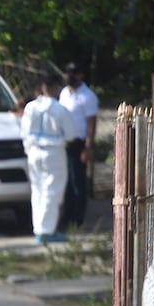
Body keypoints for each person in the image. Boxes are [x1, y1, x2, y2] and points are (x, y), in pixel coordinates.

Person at [22, 73, 77, 245]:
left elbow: (24, 131)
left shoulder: (30, 107)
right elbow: (70, 135)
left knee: (37, 190)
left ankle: (38, 228)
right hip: (53, 152)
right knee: (52, 191)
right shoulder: (59, 109)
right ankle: (46, 231)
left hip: (33, 152)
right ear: (55, 88)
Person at [58, 62, 99, 230]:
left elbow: (91, 124)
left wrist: (88, 147)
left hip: (78, 143)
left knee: (77, 183)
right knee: (66, 182)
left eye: (73, 73)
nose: (70, 76)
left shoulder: (87, 96)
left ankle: (78, 219)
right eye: (67, 72)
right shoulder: (64, 93)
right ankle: (67, 218)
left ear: (81, 75)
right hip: (63, 143)